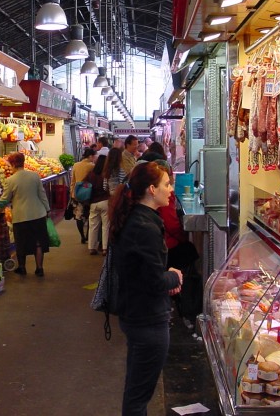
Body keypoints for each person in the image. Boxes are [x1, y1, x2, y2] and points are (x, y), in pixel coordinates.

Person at [108, 161, 183, 416]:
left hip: (136, 313)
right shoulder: (145, 227)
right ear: (152, 189)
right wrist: (174, 277)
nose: (171, 189)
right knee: (139, 395)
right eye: (166, 184)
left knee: (136, 388)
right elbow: (154, 282)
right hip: (147, 319)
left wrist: (164, 278)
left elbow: (143, 273)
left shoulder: (136, 218)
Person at [0, 152, 51, 276]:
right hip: (38, 213)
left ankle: (22, 267)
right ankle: (39, 268)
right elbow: (42, 195)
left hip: (21, 216)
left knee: (21, 243)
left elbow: (4, 200)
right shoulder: (35, 176)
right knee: (38, 243)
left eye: (10, 164)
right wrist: (47, 209)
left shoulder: (10, 180)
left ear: (14, 164)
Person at [84, 154, 110, 255]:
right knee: (105, 226)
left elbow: (84, 185)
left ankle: (91, 247)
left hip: (93, 203)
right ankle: (104, 248)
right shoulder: (106, 174)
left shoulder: (91, 174)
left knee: (93, 226)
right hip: (105, 201)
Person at [71, 147, 96, 243]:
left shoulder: (76, 165)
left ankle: (82, 236)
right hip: (88, 193)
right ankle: (88, 235)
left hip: (77, 193)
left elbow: (72, 181)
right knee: (90, 215)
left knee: (79, 215)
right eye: (93, 156)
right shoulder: (92, 166)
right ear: (90, 156)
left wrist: (72, 193)